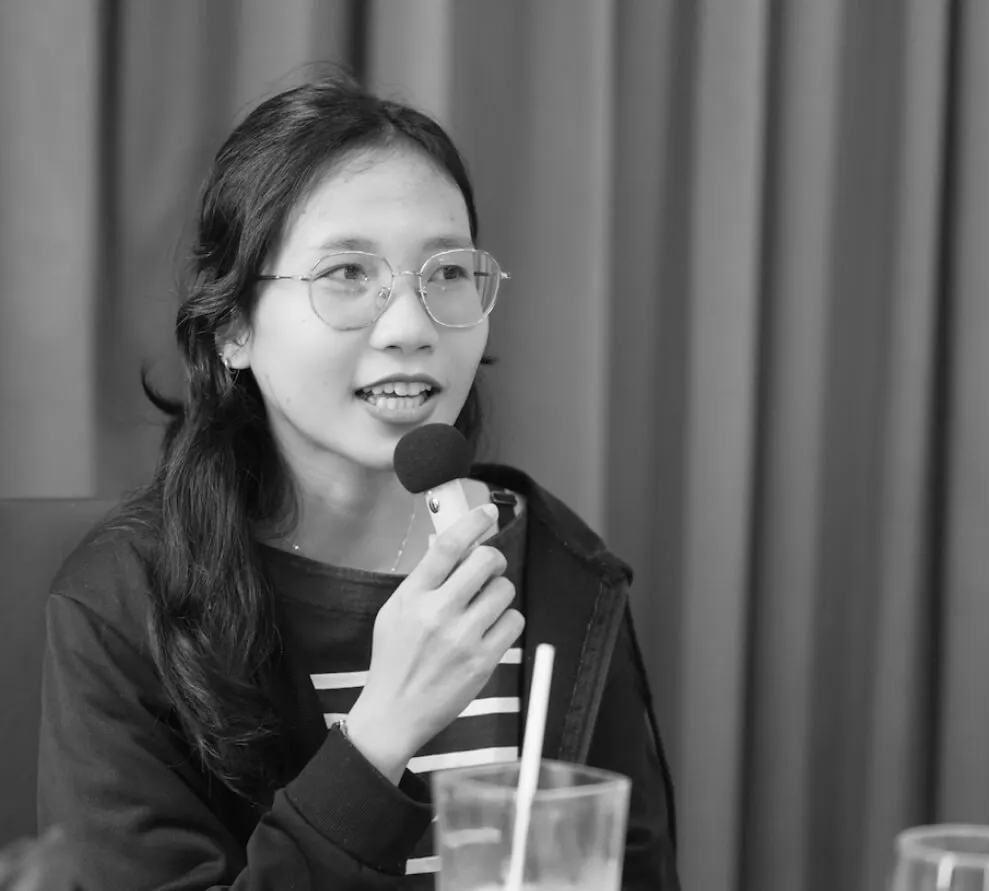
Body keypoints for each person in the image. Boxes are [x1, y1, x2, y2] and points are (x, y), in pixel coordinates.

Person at [38, 72, 680, 891]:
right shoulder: (123, 609)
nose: (410, 327)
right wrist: (381, 733)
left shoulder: (560, 574)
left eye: (446, 272)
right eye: (346, 273)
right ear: (232, 326)